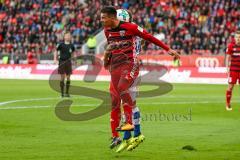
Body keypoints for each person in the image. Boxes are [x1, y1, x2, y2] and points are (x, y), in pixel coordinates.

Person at [100, 6, 180, 153]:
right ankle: (127, 136)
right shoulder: (112, 31)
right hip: (119, 68)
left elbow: (147, 37)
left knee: (129, 100)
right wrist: (108, 59)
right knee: (121, 100)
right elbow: (112, 46)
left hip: (132, 67)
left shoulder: (132, 30)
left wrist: (168, 49)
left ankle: (135, 133)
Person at [54, 32, 75, 98]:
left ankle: (67, 93)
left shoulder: (72, 46)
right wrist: (55, 59)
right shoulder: (61, 45)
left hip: (68, 62)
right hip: (62, 62)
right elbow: (55, 51)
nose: (68, 37)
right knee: (62, 77)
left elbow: (73, 54)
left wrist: (73, 60)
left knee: (68, 78)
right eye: (67, 36)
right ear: (64, 37)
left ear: (70, 37)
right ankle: (62, 93)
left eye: (69, 36)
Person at [225, 30, 240, 111]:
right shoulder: (231, 46)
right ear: (234, 38)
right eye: (237, 37)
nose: (238, 39)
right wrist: (227, 68)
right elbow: (227, 57)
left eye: (239, 37)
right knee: (230, 87)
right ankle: (228, 104)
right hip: (233, 70)